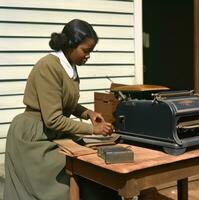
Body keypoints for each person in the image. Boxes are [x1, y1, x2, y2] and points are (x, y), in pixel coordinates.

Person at [4, 19, 121, 200]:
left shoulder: (70, 67)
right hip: (34, 137)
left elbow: (65, 102)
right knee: (68, 180)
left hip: (53, 133)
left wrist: (87, 113)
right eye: (85, 50)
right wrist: (93, 130)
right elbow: (53, 119)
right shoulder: (49, 66)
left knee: (92, 167)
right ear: (70, 46)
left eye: (90, 51)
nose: (88, 56)